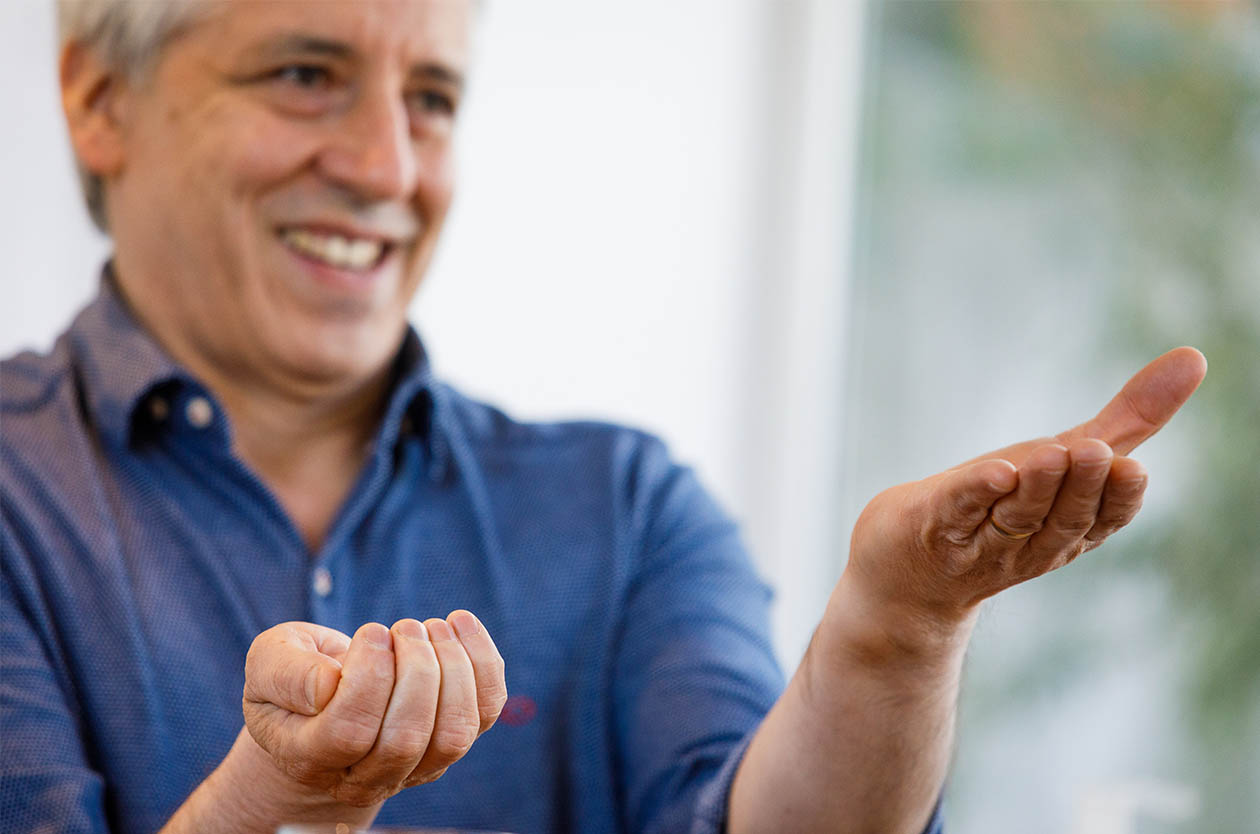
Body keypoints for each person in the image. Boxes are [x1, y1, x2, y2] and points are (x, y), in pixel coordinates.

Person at [0, 1, 1208, 832]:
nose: (387, 167)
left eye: (432, 98)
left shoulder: (627, 509)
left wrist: (901, 628)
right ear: (100, 98)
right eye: (304, 76)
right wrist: (289, 800)